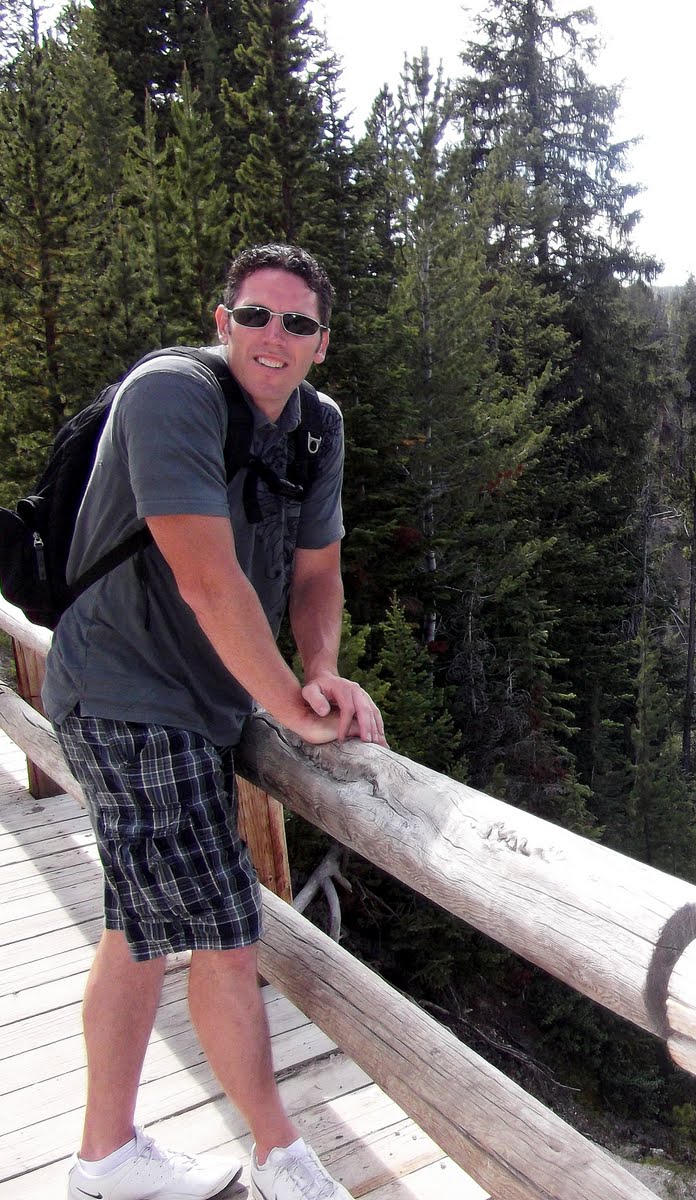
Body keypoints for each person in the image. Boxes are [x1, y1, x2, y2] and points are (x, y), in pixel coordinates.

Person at [43, 244, 386, 1200]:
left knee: (139, 927)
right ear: (222, 320)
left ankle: (105, 1158)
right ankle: (284, 1162)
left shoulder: (317, 428)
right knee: (227, 933)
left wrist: (320, 672)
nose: (275, 337)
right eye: (256, 315)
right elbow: (206, 576)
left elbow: (317, 571)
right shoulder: (172, 394)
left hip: (200, 703)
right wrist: (292, 713)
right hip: (128, 692)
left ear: (322, 343)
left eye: (298, 323)